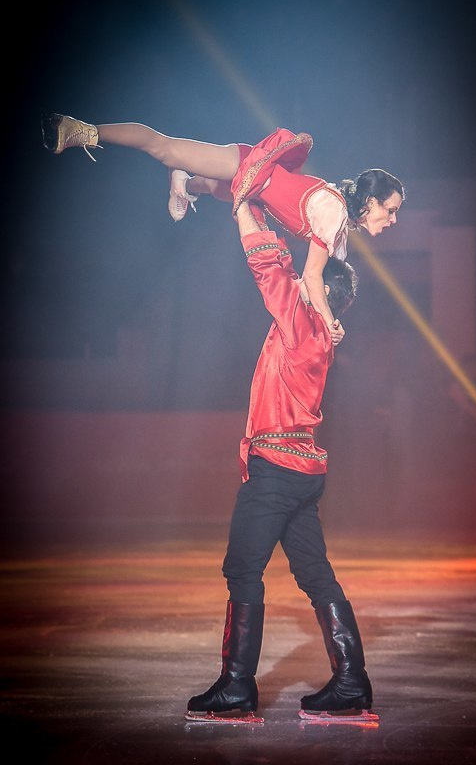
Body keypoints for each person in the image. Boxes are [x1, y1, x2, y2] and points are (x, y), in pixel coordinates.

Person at [182, 198, 373, 723]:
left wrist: (244, 204)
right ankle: (352, 682)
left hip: (276, 472)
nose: (305, 281)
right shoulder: (323, 335)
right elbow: (308, 265)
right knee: (315, 574)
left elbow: (270, 265)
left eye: (313, 281)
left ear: (321, 294)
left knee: (243, 568)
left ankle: (237, 687)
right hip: (303, 473)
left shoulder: (304, 324)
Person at [41, 114, 404, 343]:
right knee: (165, 148)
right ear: (371, 201)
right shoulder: (334, 212)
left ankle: (184, 181)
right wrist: (328, 322)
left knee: (217, 189)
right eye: (390, 210)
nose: (393, 219)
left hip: (255, 192)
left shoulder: (340, 236)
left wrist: (329, 318)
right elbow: (312, 277)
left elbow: (320, 287)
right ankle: (81, 130)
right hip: (249, 165)